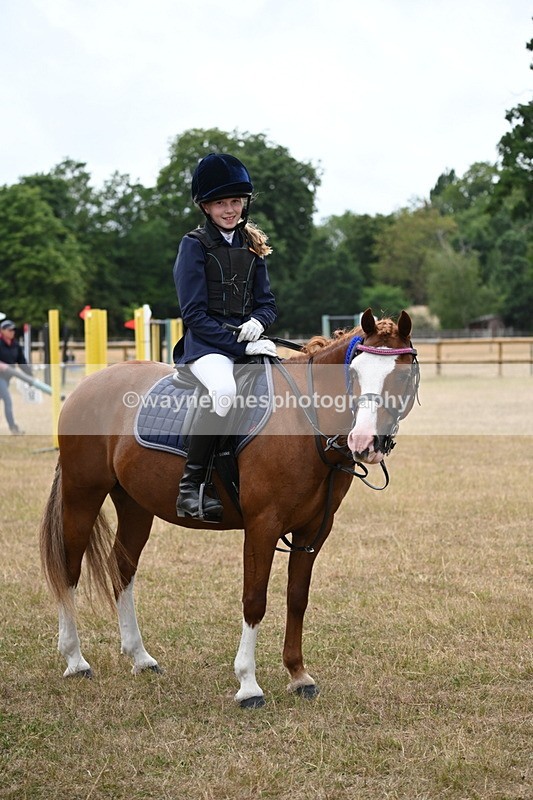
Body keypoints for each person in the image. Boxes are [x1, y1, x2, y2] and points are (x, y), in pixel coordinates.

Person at [173, 152, 278, 522]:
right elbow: (194, 316)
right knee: (224, 393)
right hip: (206, 347)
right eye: (221, 203)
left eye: (236, 202)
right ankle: (191, 486)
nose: (230, 209)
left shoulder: (251, 246)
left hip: (247, 342)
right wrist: (240, 343)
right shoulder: (194, 245)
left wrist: (259, 324)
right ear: (206, 206)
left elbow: (267, 303)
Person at [0, 319, 32, 435]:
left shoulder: (16, 345)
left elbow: (22, 362)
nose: (12, 332)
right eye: (9, 330)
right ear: (2, 331)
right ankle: (13, 428)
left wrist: (30, 377)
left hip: (7, 378)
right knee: (8, 400)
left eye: (13, 330)